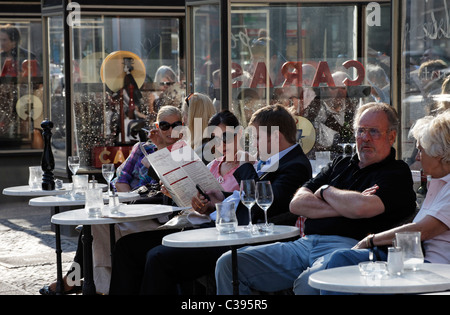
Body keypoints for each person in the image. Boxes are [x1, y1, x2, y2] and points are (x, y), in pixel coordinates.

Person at [215, 102, 417, 295]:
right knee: (229, 264)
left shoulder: (397, 172)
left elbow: (362, 209)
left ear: (391, 136)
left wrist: (324, 191)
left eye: (373, 131)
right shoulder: (341, 163)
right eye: (360, 131)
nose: (365, 138)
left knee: (308, 284)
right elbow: (297, 204)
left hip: (348, 249)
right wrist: (345, 205)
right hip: (304, 244)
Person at [108, 104, 312, 294]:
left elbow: (262, 205)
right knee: (127, 247)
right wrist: (219, 199)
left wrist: (242, 166)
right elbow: (249, 197)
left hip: (241, 239)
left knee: (158, 257)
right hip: (222, 229)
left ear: (275, 136)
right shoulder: (275, 161)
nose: (254, 144)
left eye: (256, 137)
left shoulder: (294, 165)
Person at [39, 106, 183, 295]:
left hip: (155, 217)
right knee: (95, 226)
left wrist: (162, 149)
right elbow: (119, 178)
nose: (171, 130)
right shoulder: (142, 149)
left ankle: (78, 280)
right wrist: (128, 201)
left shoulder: (183, 153)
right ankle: (101, 287)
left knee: (93, 231)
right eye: (165, 125)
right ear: (157, 126)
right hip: (129, 208)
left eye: (177, 125)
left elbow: (169, 183)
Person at [308, 110, 450, 295]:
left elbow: (421, 230)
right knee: (340, 260)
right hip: (413, 263)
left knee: (338, 263)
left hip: (432, 271)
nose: (417, 157)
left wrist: (371, 240)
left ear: (439, 154)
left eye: (421, 150)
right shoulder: (438, 184)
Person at [182, 92, 216, 161]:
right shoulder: (218, 144)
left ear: (191, 117)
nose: (183, 119)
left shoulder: (204, 151)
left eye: (184, 114)